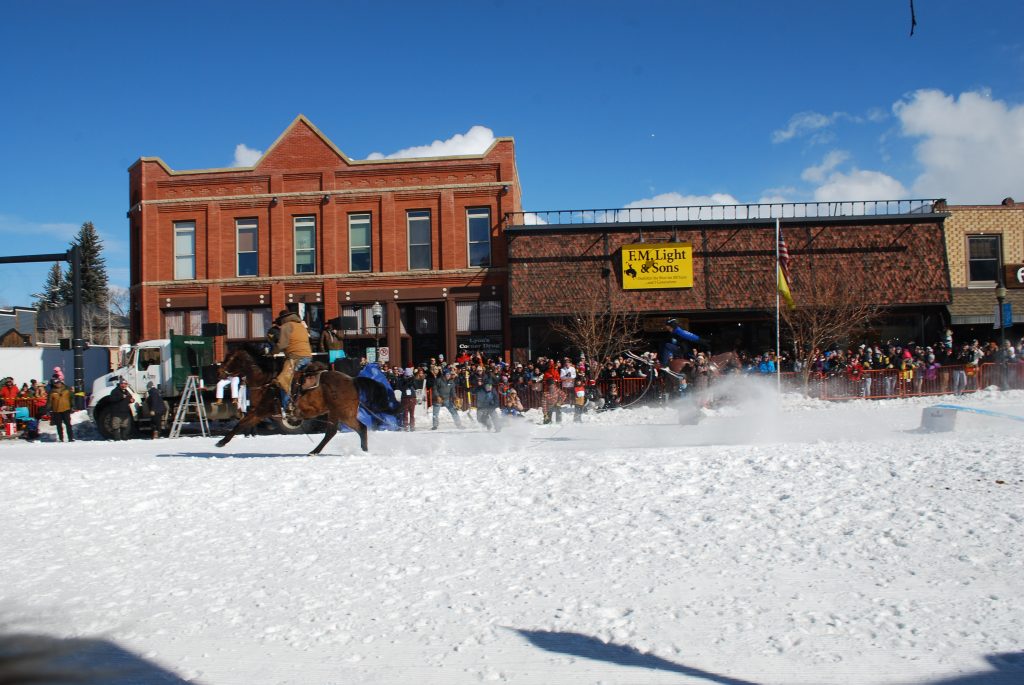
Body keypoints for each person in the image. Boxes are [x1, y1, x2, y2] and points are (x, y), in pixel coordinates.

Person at [270, 309, 313, 416]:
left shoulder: (286, 326)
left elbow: (282, 345)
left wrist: (272, 352)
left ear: (282, 319)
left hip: (295, 358)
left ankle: (287, 407)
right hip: (308, 357)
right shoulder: (301, 326)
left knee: (283, 381)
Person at [47, 377, 74, 442]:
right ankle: (61, 438)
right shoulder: (52, 392)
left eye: (58, 382)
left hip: (66, 409)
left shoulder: (67, 389)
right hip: (56, 410)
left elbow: (71, 398)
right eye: (56, 383)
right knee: (59, 425)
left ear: (61, 382)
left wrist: (72, 406)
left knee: (68, 424)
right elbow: (49, 402)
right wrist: (48, 409)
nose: (58, 384)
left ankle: (70, 438)